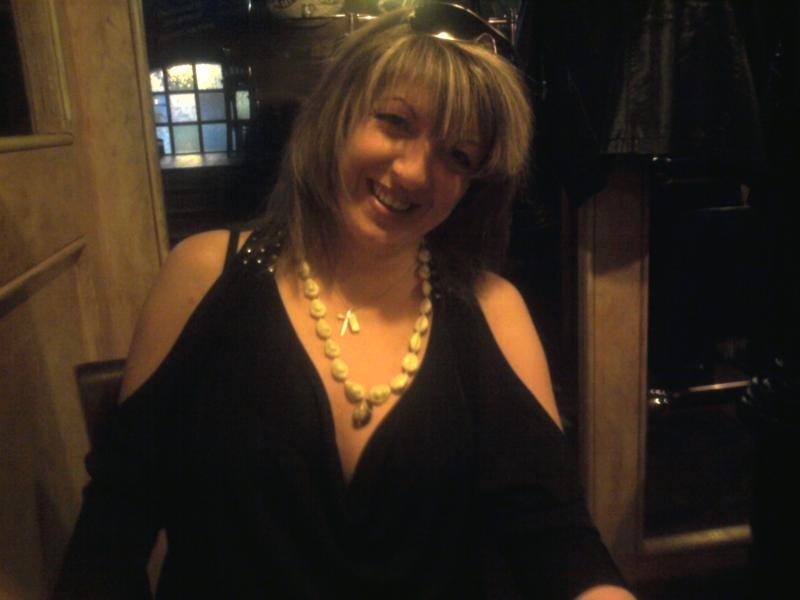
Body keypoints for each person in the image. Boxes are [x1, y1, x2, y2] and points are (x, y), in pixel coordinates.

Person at [56, 4, 636, 599]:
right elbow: (113, 527)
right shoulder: (205, 274)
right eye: (395, 122)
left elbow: (557, 539)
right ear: (338, 114)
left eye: (457, 156)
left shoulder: (492, 308)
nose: (415, 172)